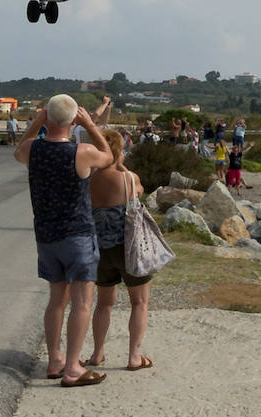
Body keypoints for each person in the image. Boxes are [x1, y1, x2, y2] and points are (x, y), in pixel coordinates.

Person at [14, 95, 113, 387]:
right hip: (78, 235)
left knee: (56, 300)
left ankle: (55, 359)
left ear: (47, 116)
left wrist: (36, 124)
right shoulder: (81, 152)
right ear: (73, 120)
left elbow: (17, 150)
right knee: (82, 302)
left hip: (46, 235)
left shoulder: (32, 150)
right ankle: (73, 367)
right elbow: (108, 156)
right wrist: (91, 126)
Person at [86, 128, 154, 372]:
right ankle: (134, 356)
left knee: (104, 303)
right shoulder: (127, 178)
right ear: (119, 151)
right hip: (128, 249)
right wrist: (121, 165)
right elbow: (140, 190)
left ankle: (97, 353)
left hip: (100, 250)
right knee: (139, 303)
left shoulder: (88, 179)